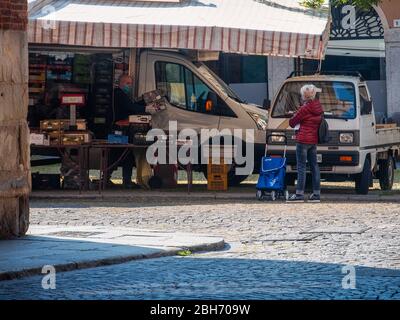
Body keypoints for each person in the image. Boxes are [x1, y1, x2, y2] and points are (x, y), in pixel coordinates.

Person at [108, 74, 146, 189]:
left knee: (118, 154)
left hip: (119, 128)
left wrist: (144, 102)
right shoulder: (119, 94)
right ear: (121, 83)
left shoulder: (121, 94)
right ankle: (126, 181)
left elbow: (132, 105)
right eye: (127, 83)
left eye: (130, 84)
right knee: (125, 154)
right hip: (117, 129)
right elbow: (131, 107)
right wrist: (146, 108)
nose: (129, 86)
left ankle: (109, 178)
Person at [287, 84, 323, 203]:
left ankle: (299, 195)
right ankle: (316, 194)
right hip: (313, 140)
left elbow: (292, 123)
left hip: (302, 140)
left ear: (304, 96)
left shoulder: (304, 109)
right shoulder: (318, 107)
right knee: (314, 166)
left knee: (301, 167)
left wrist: (294, 114)